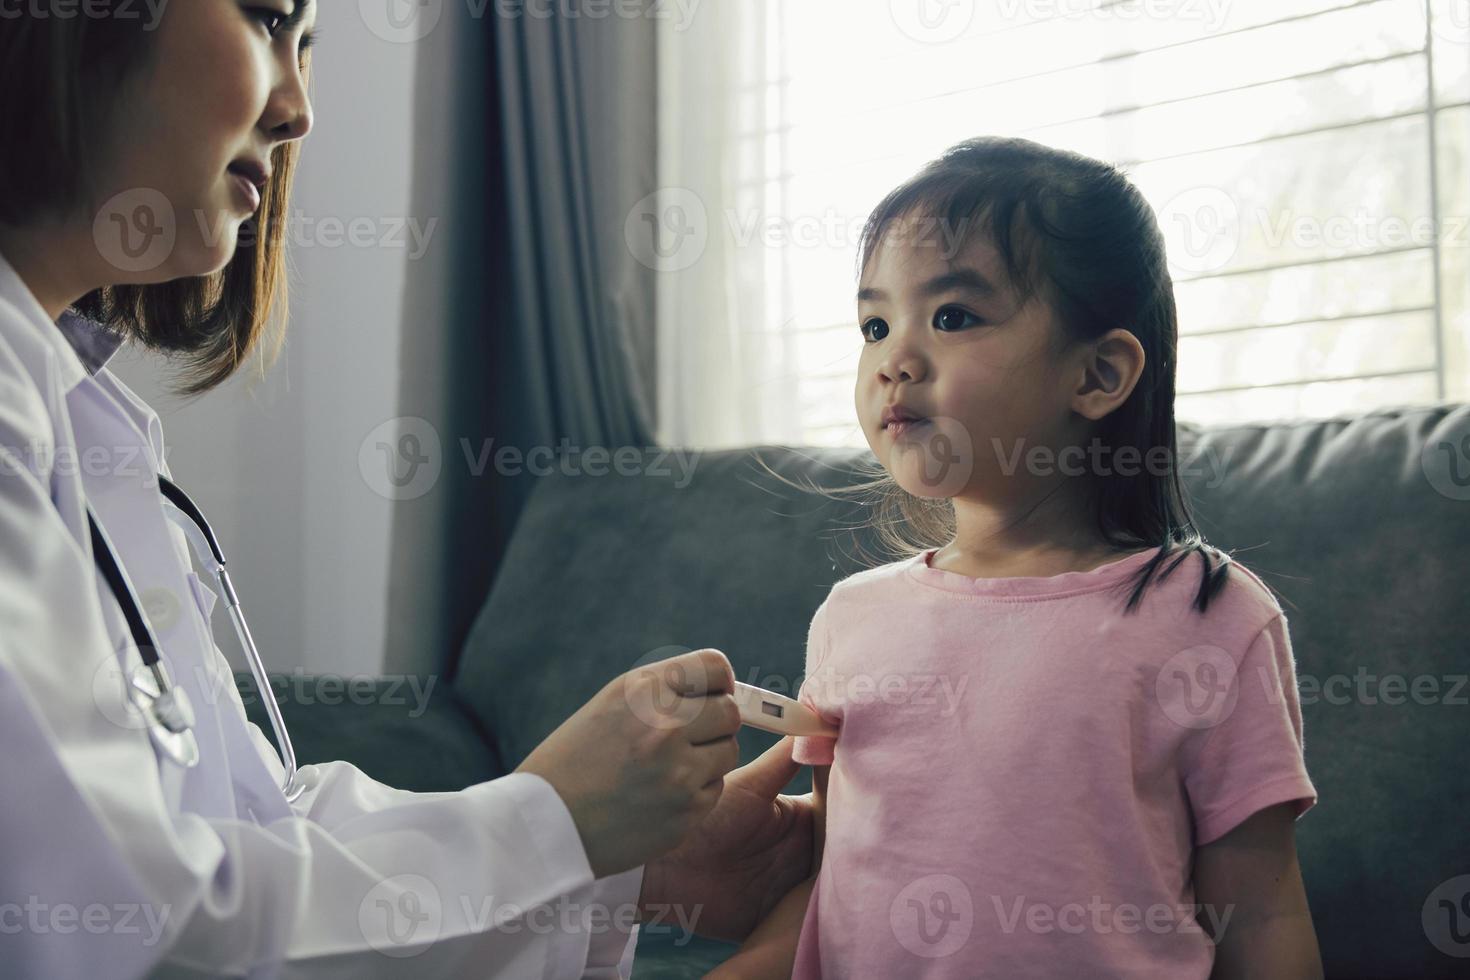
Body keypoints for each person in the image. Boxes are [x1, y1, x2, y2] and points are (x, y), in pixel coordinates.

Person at [0, 3, 812, 976]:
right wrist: (549, 817)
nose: (298, 109)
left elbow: (248, 825)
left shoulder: (87, 429)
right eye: (266, 22)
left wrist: (623, 861)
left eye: (307, 50)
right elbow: (133, 928)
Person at [710, 137, 1324, 978]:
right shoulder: (851, 618)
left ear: (1099, 374)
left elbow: (1260, 916)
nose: (894, 359)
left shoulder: (1212, 617)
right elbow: (830, 884)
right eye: (875, 325)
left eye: (953, 316)